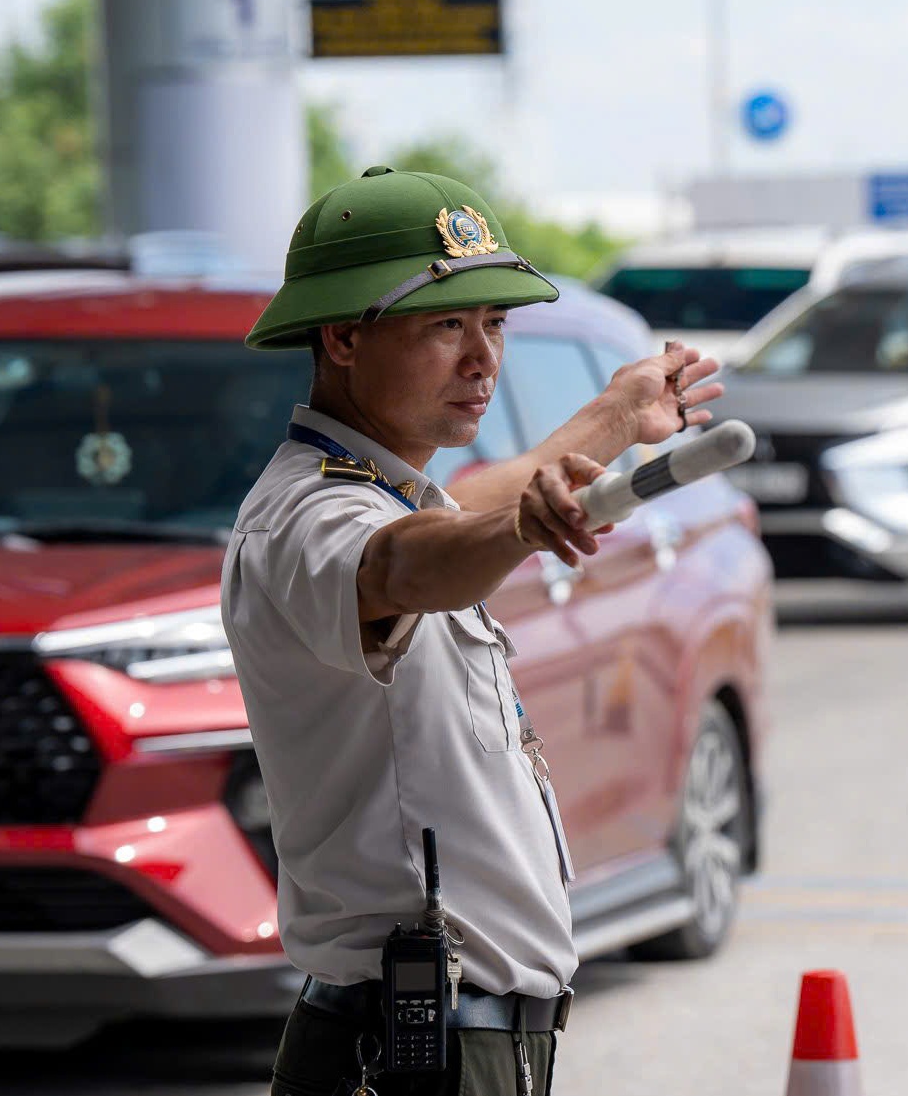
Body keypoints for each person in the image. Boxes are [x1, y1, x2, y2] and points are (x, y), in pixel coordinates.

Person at [221, 167, 721, 1096]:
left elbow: (478, 499)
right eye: (446, 324)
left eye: (494, 324)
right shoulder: (309, 515)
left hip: (457, 1040)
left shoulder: (379, 487)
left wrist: (619, 416)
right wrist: (521, 529)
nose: (483, 358)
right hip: (413, 1048)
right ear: (340, 336)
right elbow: (408, 563)